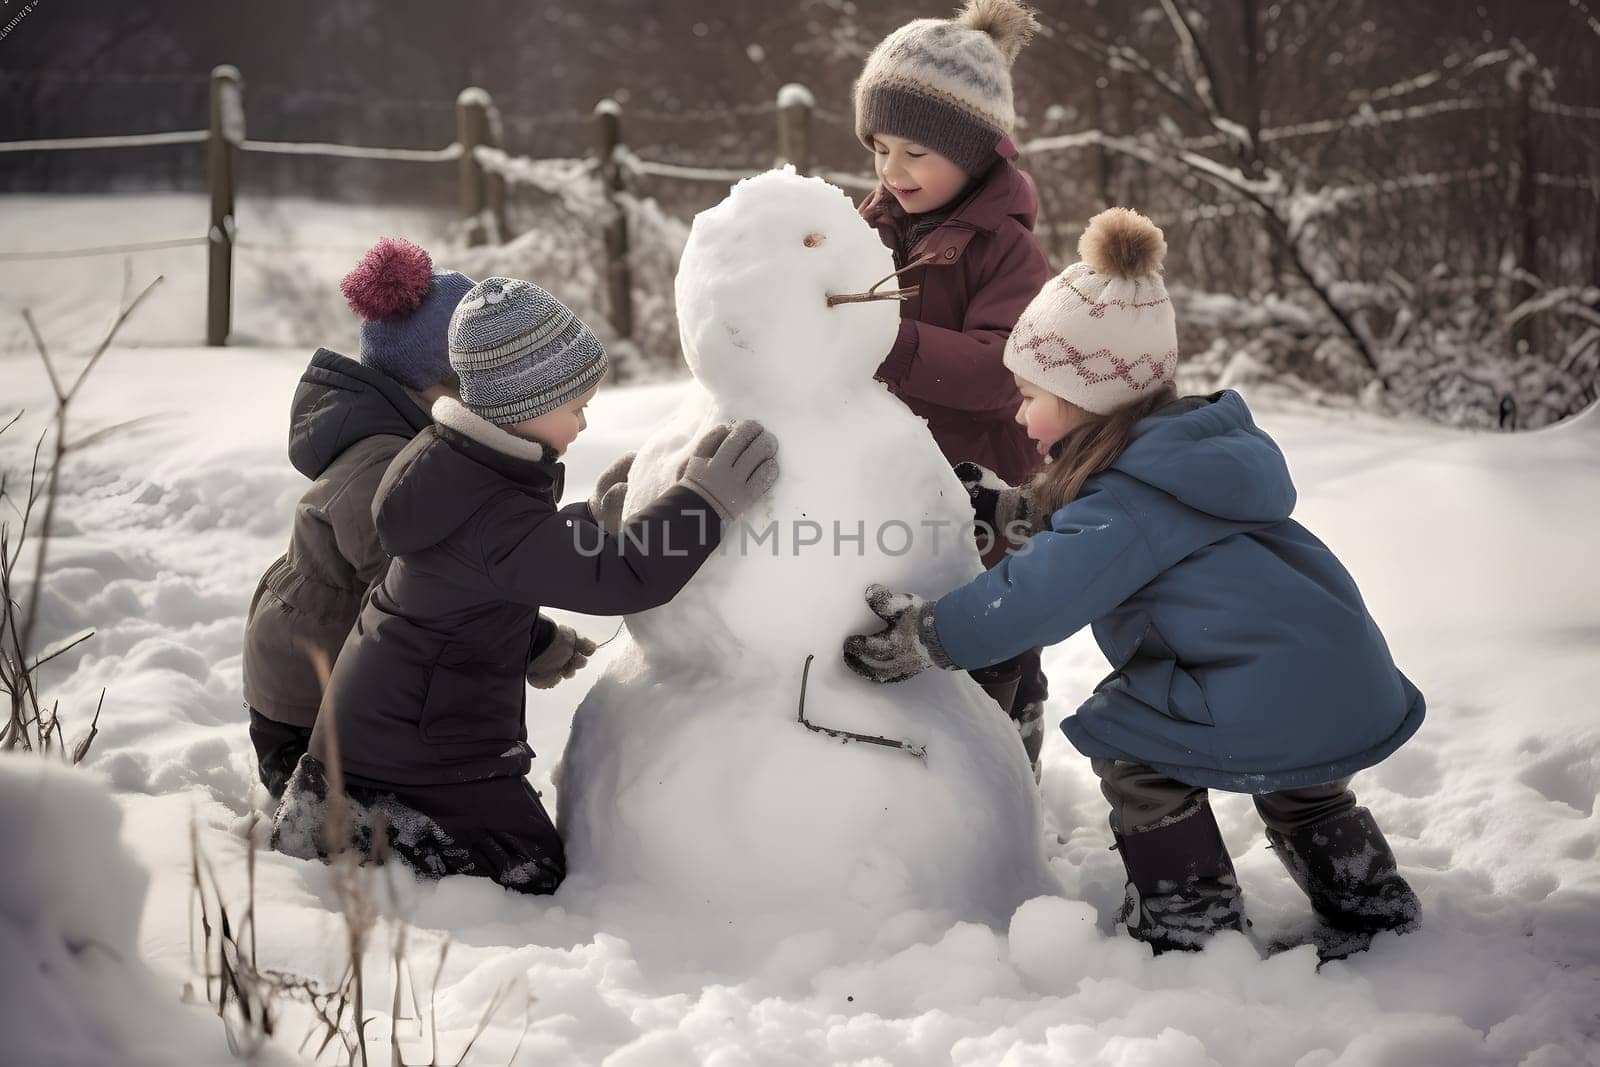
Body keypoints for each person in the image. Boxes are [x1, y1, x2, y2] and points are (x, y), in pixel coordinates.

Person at [843, 208, 1424, 956]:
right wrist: (1012, 508)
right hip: (1332, 674)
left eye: (1030, 394)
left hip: (1259, 683)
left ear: (1085, 398)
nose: (1019, 415)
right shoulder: (1186, 456)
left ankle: (1188, 917)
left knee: (1129, 740)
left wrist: (932, 634)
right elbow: (1113, 527)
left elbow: (1041, 592)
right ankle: (1371, 903)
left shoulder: (1128, 503)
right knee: (1302, 782)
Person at [271, 277, 780, 894]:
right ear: (521, 408)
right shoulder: (491, 511)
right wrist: (703, 502)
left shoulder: (450, 461)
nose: (586, 422)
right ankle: (376, 842)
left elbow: (504, 559)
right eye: (574, 408)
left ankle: (351, 824)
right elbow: (620, 578)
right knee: (531, 874)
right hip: (422, 757)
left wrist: (591, 521)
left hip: (386, 731)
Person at [852, 0, 1055, 774]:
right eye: (879, 147)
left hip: (990, 488)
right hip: (904, 481)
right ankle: (923, 789)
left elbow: (1003, 374)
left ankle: (1011, 775)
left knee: (995, 646)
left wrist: (887, 341)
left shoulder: (1008, 252)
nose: (891, 172)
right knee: (908, 632)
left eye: (915, 152)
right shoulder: (870, 225)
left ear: (975, 155)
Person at [242, 237, 473, 798]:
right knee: (367, 811)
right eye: (473, 382)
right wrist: (528, 640)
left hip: (329, 666)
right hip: (305, 703)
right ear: (433, 384)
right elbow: (418, 588)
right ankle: (315, 816)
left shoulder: (407, 435)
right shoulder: (383, 462)